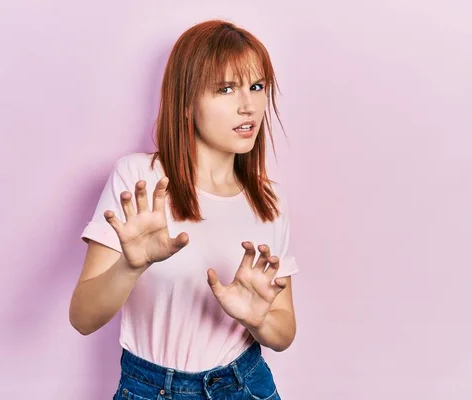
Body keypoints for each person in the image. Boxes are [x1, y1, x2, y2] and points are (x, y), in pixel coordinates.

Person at [69, 19, 300, 400]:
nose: (248, 106)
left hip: (246, 384)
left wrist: (257, 320)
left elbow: (284, 331)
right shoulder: (140, 179)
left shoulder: (269, 201)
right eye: (226, 89)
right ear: (187, 102)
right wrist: (131, 265)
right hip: (152, 388)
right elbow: (82, 318)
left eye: (256, 87)